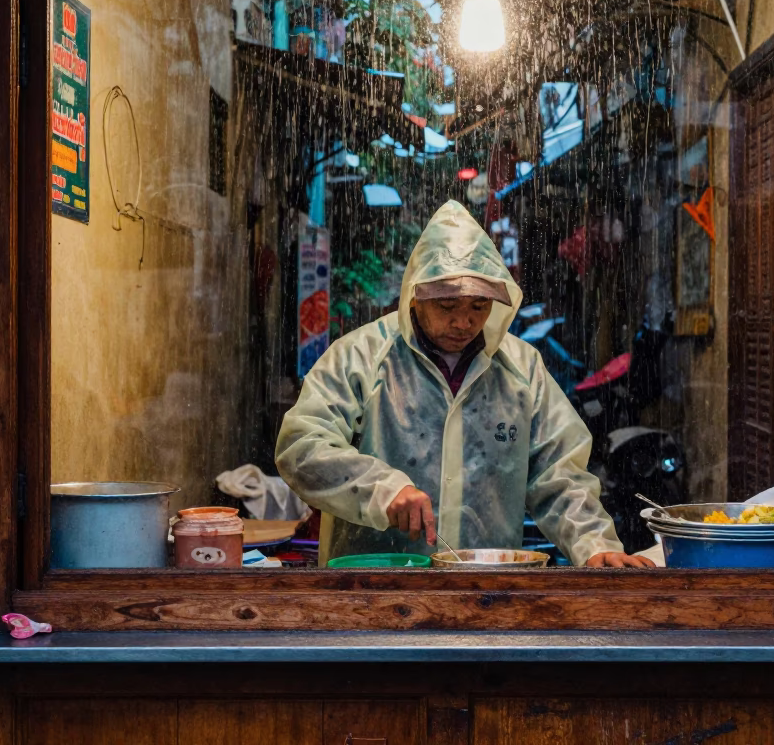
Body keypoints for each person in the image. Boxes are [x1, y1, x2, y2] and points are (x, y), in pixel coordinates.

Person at [276, 200, 654, 568]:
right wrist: (382, 490)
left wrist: (593, 544)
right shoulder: (359, 356)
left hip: (485, 594)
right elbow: (301, 446)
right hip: (370, 590)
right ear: (415, 297)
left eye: (478, 306)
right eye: (446, 306)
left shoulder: (522, 369)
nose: (463, 322)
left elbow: (560, 473)